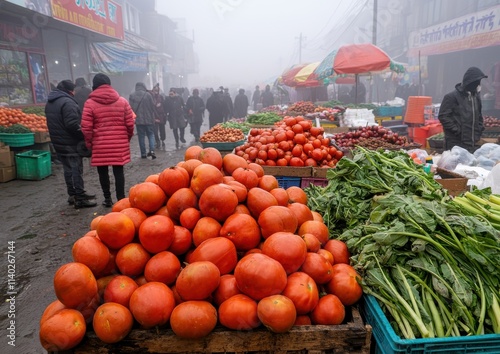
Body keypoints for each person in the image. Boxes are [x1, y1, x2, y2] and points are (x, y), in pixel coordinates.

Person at [81, 73, 135, 207]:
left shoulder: (90, 103)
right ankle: (121, 199)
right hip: (119, 143)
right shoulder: (122, 101)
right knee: (118, 171)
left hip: (99, 145)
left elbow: (86, 127)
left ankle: (107, 199)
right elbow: (130, 124)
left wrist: (89, 143)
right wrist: (126, 138)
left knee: (102, 172)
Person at [45, 79, 96, 209]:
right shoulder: (68, 102)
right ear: (70, 91)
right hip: (70, 142)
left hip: (58, 142)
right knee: (76, 169)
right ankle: (80, 197)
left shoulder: (51, 102)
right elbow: (72, 124)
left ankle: (72, 195)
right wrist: (83, 135)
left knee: (67, 169)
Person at [438, 66, 488, 153]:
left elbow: (479, 115)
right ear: (469, 82)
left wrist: (479, 129)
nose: (478, 84)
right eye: (476, 82)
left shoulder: (476, 97)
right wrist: (457, 130)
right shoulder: (451, 97)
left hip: (472, 144)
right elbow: (443, 116)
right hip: (455, 144)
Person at [129, 82, 157, 159]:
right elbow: (152, 107)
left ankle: (143, 154)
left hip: (139, 120)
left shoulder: (132, 95)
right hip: (149, 119)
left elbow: (130, 108)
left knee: (141, 137)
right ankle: (152, 151)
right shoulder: (148, 95)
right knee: (151, 135)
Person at [151, 83, 167, 149]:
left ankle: (162, 139)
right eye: (155, 90)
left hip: (161, 115)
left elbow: (165, 105)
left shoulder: (161, 97)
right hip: (154, 115)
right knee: (155, 130)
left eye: (157, 90)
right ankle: (157, 141)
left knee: (162, 129)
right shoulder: (151, 97)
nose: (156, 92)